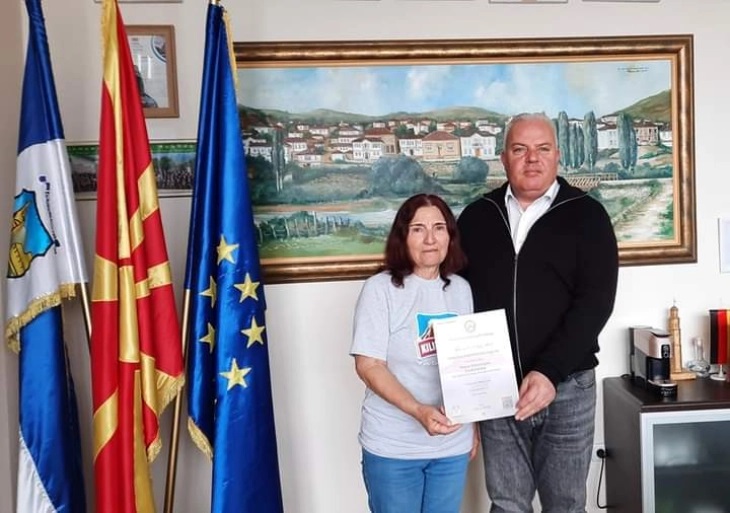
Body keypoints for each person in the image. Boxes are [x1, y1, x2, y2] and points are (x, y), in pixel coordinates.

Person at [457, 112, 619, 512]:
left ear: (558, 155)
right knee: (507, 504)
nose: (532, 158)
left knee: (565, 505)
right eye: (520, 149)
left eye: (543, 148)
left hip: (567, 388)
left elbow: (595, 303)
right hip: (497, 389)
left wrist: (549, 372)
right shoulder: (476, 217)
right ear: (503, 158)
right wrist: (465, 392)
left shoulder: (588, 216)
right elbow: (457, 300)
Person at [351, 193, 478, 513]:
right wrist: (419, 411)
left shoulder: (461, 290)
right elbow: (369, 366)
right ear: (402, 237)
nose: (430, 239)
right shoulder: (380, 289)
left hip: (451, 446)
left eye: (439, 228)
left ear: (450, 236)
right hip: (394, 447)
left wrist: (473, 428)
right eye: (418, 229)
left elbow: (470, 365)